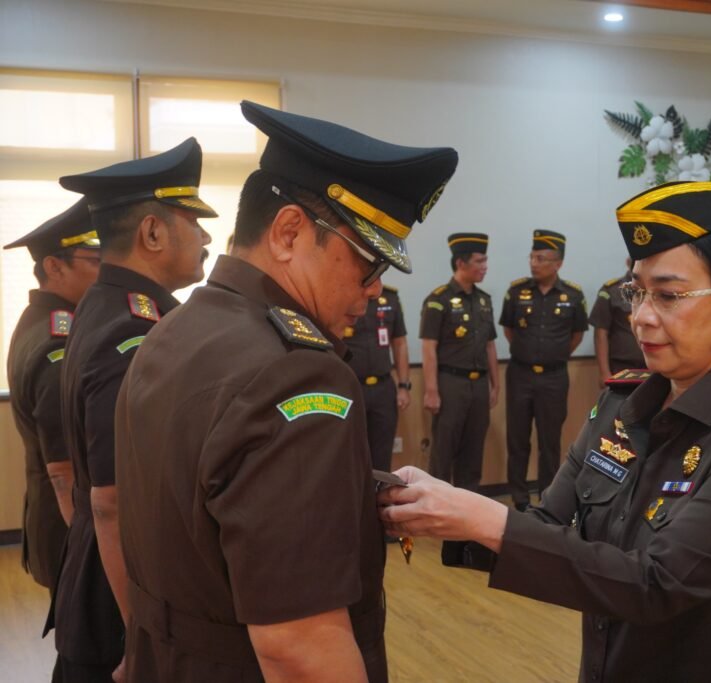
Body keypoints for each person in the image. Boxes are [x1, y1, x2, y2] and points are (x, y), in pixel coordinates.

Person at [379, 181, 711, 682]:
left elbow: (657, 583)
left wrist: (485, 520)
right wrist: (445, 509)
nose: (642, 318)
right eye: (638, 292)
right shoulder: (621, 405)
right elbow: (548, 523)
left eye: (669, 296)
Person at [114, 100, 457, 682]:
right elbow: (300, 648)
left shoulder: (177, 325)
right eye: (368, 265)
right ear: (290, 232)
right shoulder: (298, 374)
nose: (375, 292)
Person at [50, 137, 215, 683]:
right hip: (119, 616)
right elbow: (113, 502)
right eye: (194, 220)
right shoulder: (133, 331)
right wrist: (142, 641)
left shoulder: (104, 306)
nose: (207, 237)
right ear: (152, 232)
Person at [4, 198, 100, 598]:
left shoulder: (42, 322)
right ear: (54, 267)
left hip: (60, 524)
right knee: (89, 656)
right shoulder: (58, 343)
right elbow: (64, 473)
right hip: (71, 531)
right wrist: (91, 551)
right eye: (94, 262)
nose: (105, 272)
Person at [499, 230, 587, 511]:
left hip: (554, 377)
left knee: (550, 442)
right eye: (532, 257)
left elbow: (576, 335)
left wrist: (554, 356)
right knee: (518, 439)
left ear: (557, 263)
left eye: (541, 258)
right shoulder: (516, 291)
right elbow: (509, 330)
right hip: (520, 374)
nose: (533, 263)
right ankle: (520, 498)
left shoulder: (573, 295)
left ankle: (548, 498)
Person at [419, 233, 499, 491]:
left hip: (478, 386)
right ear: (461, 263)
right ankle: (436, 507)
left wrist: (495, 384)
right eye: (480, 261)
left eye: (486, 260)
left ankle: (467, 513)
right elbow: (429, 348)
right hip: (450, 384)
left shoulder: (484, 300)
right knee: (444, 449)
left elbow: (490, 344)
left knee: (473, 450)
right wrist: (431, 391)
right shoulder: (438, 299)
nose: (485, 266)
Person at [344, 285, 411, 474]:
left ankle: (379, 502)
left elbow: (399, 343)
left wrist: (404, 386)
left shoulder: (390, 298)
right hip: (351, 388)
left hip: (384, 389)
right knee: (350, 453)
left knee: (382, 456)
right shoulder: (344, 293)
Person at [589, 258, 645, 384]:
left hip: (653, 367)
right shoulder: (611, 290)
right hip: (621, 368)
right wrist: (604, 372)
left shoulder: (655, 289)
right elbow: (600, 333)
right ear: (628, 262)